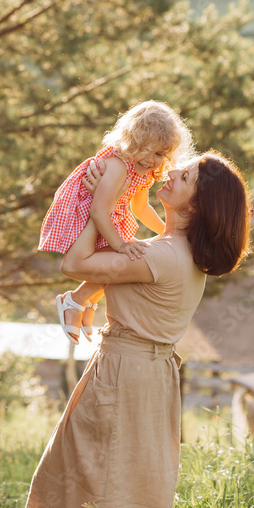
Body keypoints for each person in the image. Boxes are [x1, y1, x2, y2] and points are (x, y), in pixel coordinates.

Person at [19, 151, 253, 508]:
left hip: (125, 372)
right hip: (149, 372)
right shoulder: (178, 253)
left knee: (91, 475)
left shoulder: (160, 254)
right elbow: (120, 265)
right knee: (130, 482)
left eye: (183, 177)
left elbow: (73, 264)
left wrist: (99, 206)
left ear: (196, 206)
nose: (170, 175)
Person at [38, 100, 193, 344]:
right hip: (87, 213)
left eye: (160, 154)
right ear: (130, 141)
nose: (151, 159)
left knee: (123, 260)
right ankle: (74, 301)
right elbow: (99, 210)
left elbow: (141, 207)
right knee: (123, 255)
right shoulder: (119, 166)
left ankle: (85, 300)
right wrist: (121, 244)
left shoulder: (143, 173)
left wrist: (166, 233)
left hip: (108, 216)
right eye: (145, 148)